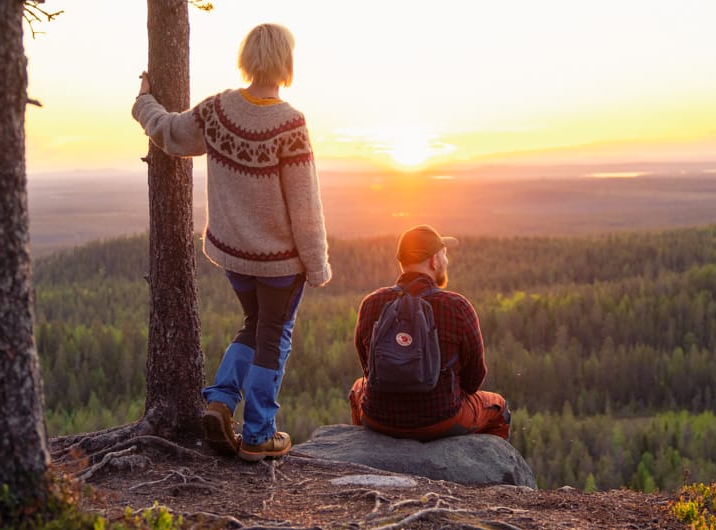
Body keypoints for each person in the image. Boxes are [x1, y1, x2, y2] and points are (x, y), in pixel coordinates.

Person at [132, 23, 331, 461]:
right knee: (273, 337)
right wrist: (317, 265)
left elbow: (168, 132)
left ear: (248, 59)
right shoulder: (290, 124)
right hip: (280, 263)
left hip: (234, 257)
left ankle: (220, 401)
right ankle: (258, 434)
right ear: (286, 62)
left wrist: (144, 101)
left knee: (253, 325)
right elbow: (305, 205)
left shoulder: (218, 111)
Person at [349, 224, 511, 440]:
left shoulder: (372, 303)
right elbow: (474, 380)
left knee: (357, 388)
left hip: (378, 417)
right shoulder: (456, 306)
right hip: (440, 419)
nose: (446, 260)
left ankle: (367, 448)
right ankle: (488, 460)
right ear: (434, 261)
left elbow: (368, 369)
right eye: (444, 254)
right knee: (499, 408)